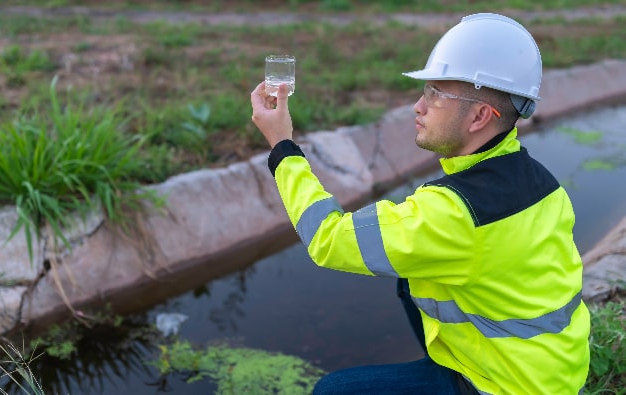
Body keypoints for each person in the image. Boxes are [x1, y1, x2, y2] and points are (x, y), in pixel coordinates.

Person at [250, 12, 590, 395]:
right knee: (410, 277)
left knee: (332, 391)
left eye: (435, 94)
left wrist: (282, 147)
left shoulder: (452, 212)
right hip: (555, 373)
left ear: (480, 116)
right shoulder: (544, 183)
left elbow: (327, 239)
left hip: (505, 386)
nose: (418, 106)